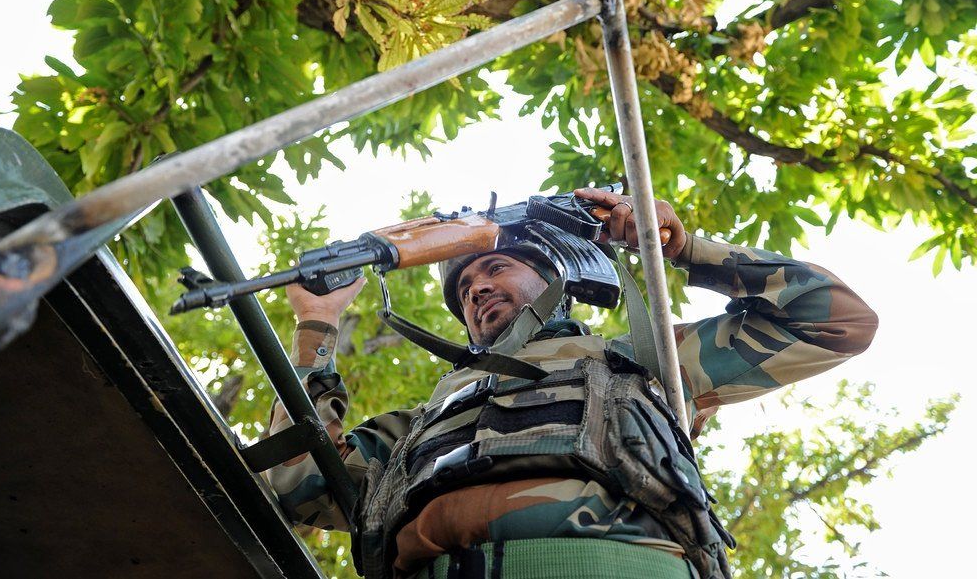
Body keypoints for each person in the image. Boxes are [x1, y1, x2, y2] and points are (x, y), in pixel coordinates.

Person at [265, 188, 879, 579]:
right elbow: (296, 485)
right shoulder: (423, 425)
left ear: (556, 278)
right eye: (463, 290)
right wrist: (316, 324)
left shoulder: (648, 358)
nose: (476, 288)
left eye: (496, 267)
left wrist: (682, 247)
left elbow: (836, 319)